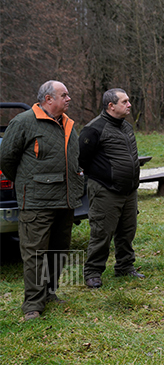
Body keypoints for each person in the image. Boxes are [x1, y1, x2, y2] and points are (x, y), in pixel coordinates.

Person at [0, 81, 84, 321]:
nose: (69, 98)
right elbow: (6, 159)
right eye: (64, 95)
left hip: (65, 200)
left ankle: (49, 293)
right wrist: (28, 182)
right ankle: (32, 305)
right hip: (37, 202)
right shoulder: (24, 122)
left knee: (58, 250)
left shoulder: (68, 124)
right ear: (48, 99)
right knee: (34, 252)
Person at [79, 88, 144, 289]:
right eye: (124, 101)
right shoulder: (93, 129)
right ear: (111, 106)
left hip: (129, 190)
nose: (129, 104)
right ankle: (93, 272)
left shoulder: (126, 127)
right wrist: (102, 176)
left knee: (127, 231)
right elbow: (81, 158)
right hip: (105, 190)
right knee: (101, 233)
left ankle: (125, 266)